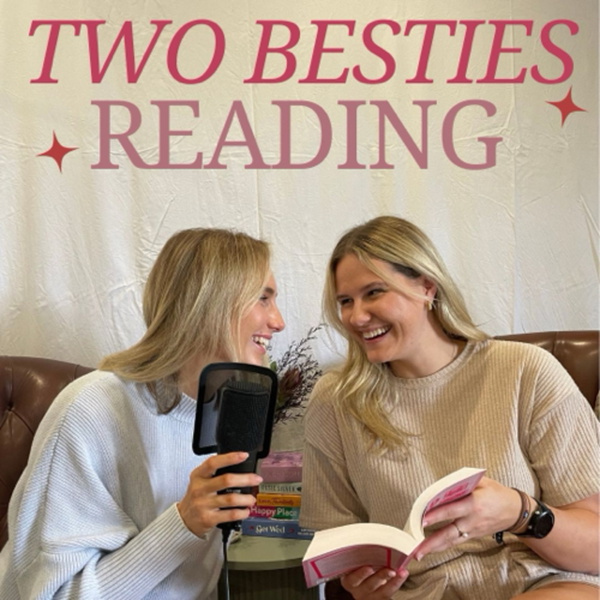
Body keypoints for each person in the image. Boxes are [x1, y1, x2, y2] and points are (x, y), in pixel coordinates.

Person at [300, 216, 599, 600]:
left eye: (374, 292)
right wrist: (360, 584)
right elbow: (337, 549)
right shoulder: (335, 400)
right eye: (345, 301)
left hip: (544, 582)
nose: (356, 317)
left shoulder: (526, 371)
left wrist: (520, 513)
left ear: (427, 287)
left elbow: (594, 549)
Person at [0, 228, 285, 599]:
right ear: (210, 303)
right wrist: (183, 524)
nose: (278, 321)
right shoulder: (90, 409)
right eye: (263, 299)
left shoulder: (226, 411)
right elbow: (52, 595)